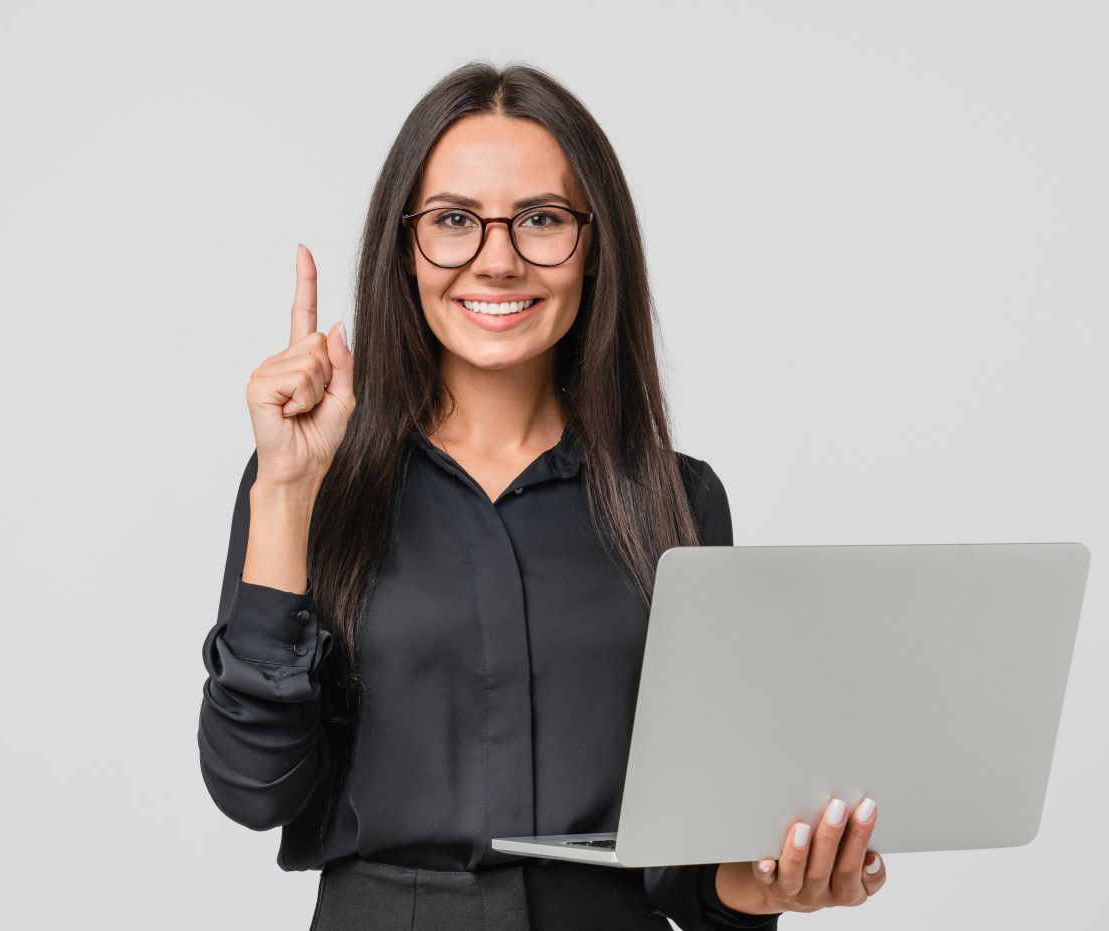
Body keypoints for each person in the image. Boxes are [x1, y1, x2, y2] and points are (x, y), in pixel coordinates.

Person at [197, 61, 888, 930]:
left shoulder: (679, 501)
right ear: (405, 246)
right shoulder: (306, 481)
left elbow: (684, 868)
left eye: (541, 219)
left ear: (593, 245)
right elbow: (253, 786)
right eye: (454, 221)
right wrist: (287, 492)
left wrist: (774, 882)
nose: (498, 260)